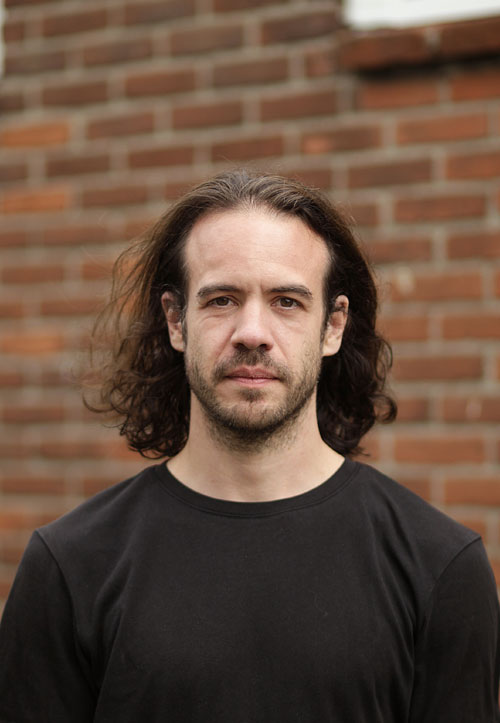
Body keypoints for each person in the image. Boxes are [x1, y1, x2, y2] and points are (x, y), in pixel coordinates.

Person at [0, 170, 498, 722]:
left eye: (286, 301)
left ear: (333, 326)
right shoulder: (70, 565)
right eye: (221, 300)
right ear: (176, 321)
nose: (252, 332)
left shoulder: (440, 566)